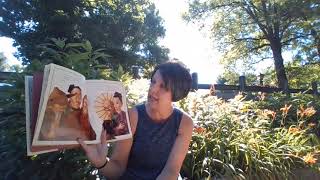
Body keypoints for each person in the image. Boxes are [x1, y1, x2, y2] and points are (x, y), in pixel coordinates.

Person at [77, 61, 194, 180]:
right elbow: (117, 169)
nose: (153, 89)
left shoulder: (184, 124)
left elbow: (171, 171)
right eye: (153, 82)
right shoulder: (133, 115)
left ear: (176, 93)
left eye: (162, 86)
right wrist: (101, 163)